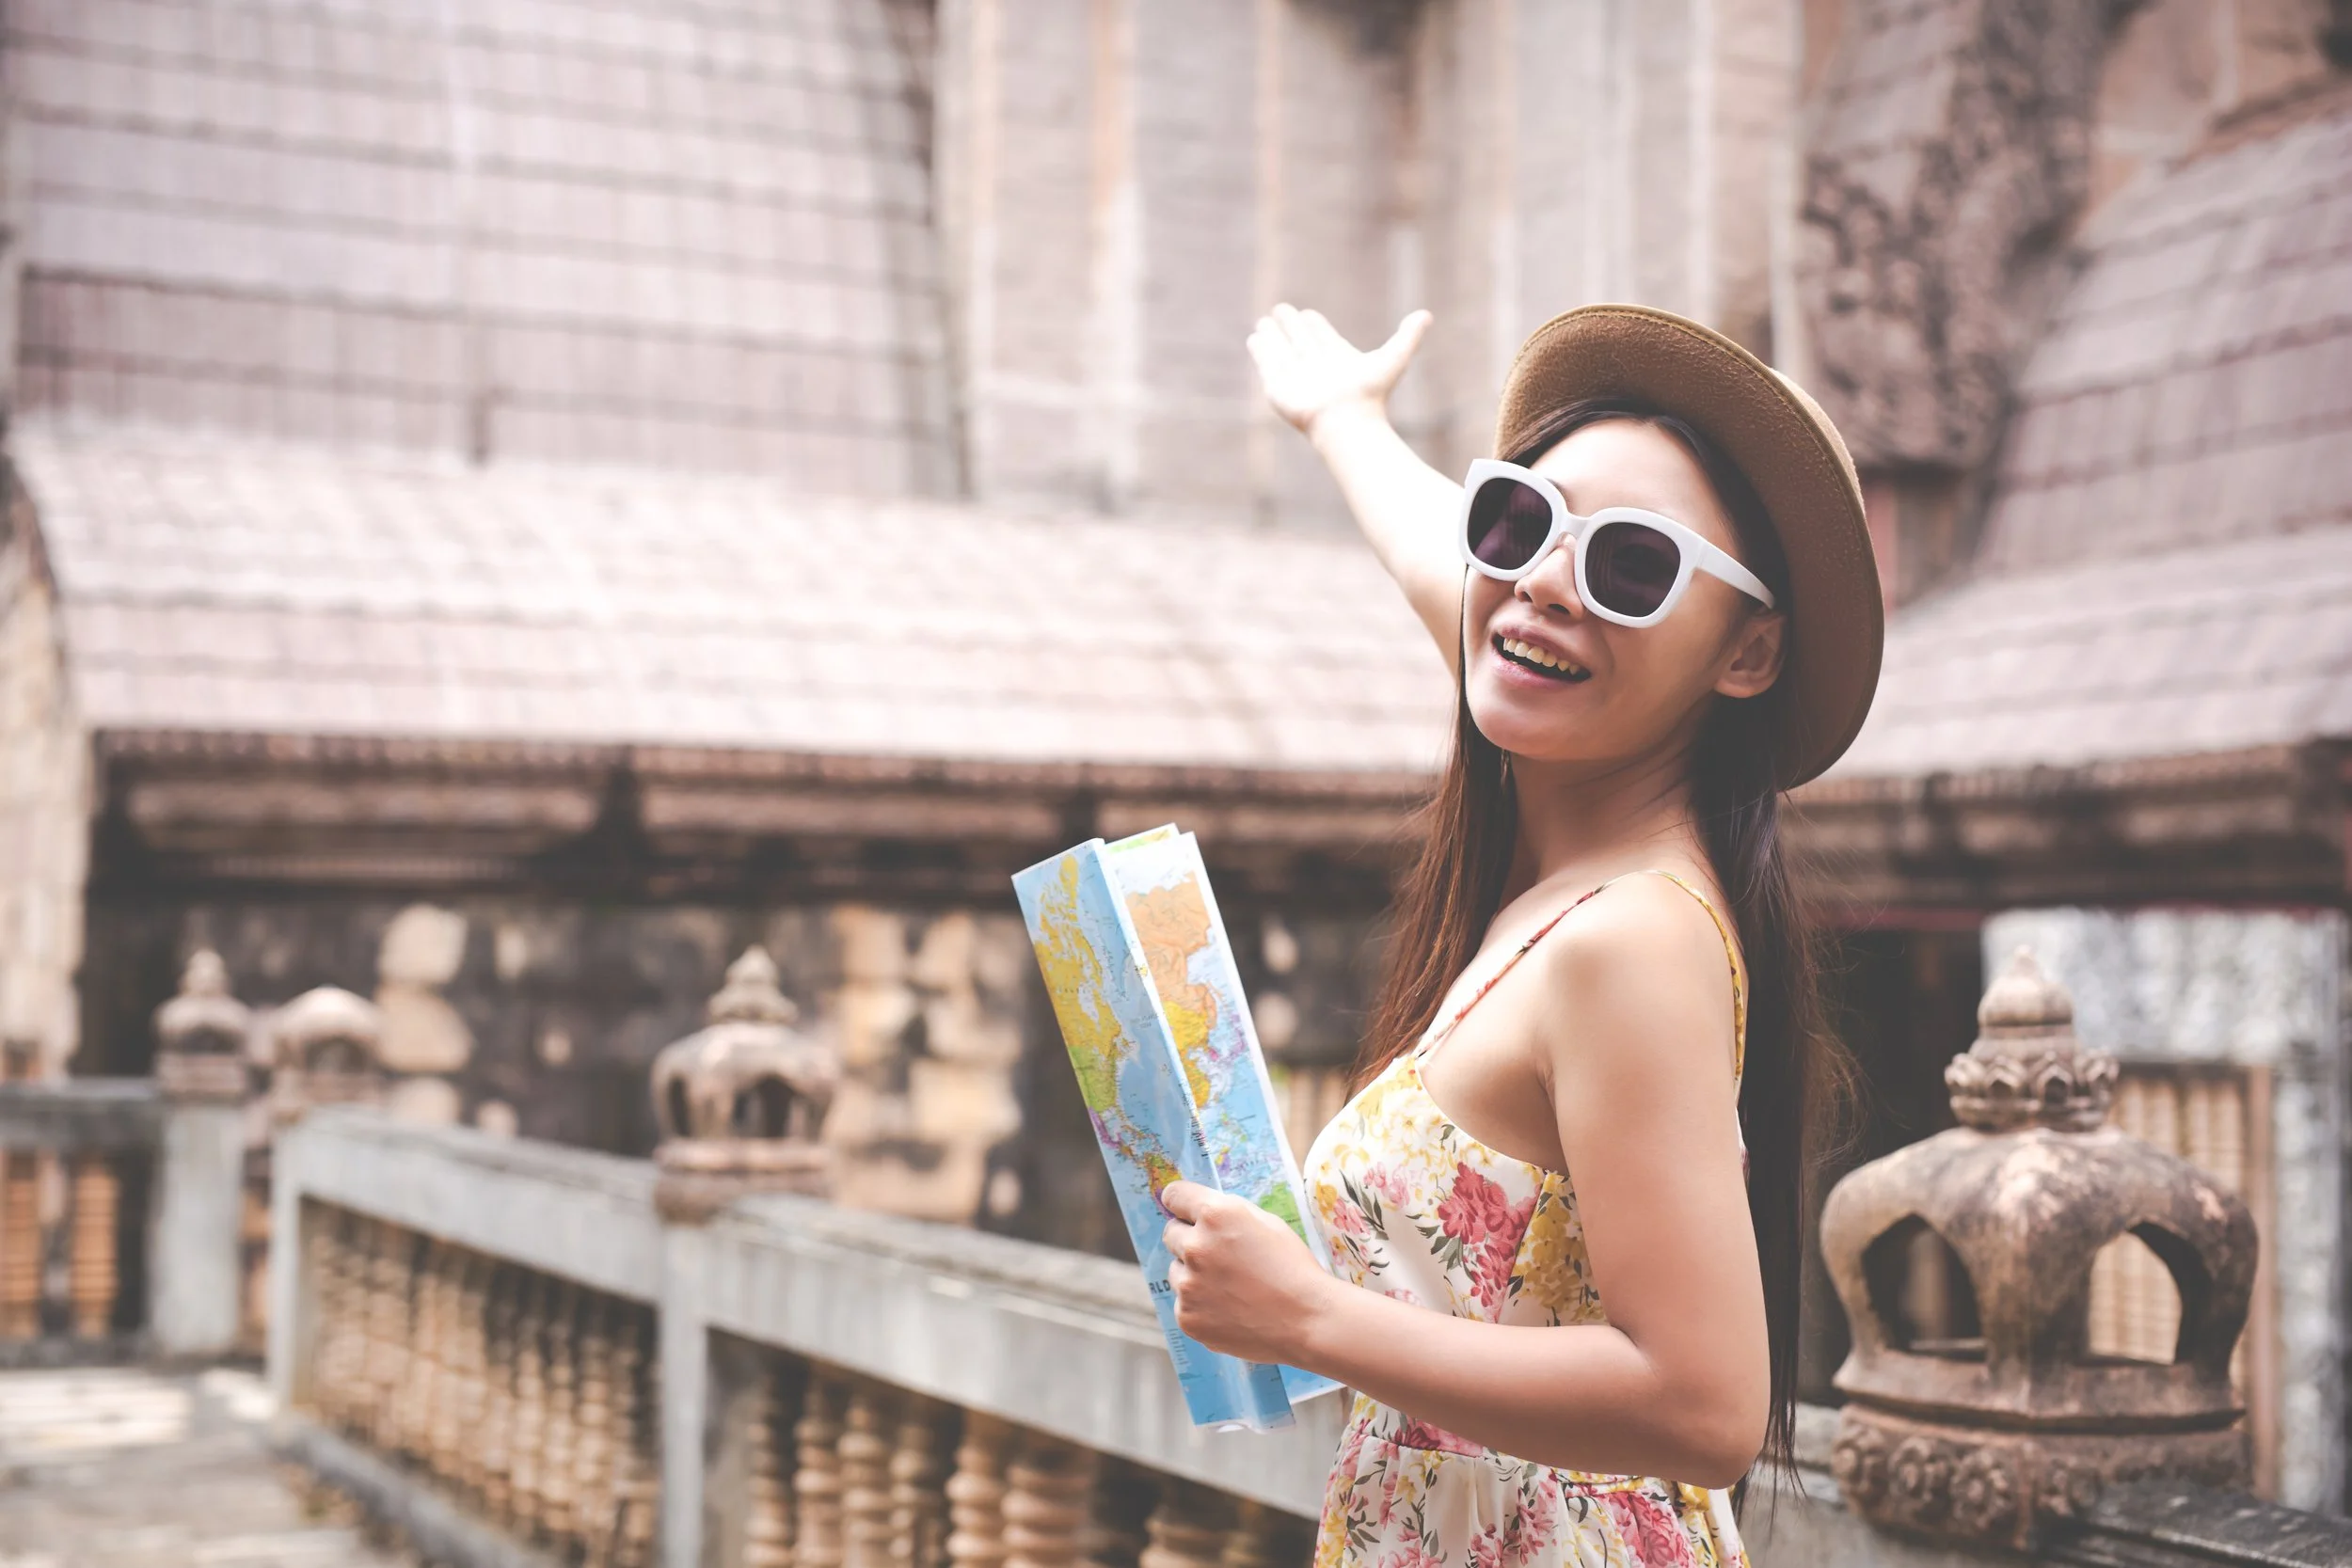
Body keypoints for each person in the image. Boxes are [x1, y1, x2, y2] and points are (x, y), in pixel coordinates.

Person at [1155, 303, 1883, 1568]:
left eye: (1634, 567)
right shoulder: (1569, 816)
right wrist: (1345, 422)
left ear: (1749, 651)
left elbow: (1708, 1406)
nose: (1546, 582)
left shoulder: (1634, 939)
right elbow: (1467, 580)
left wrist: (1314, 1318)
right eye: (1521, 520)